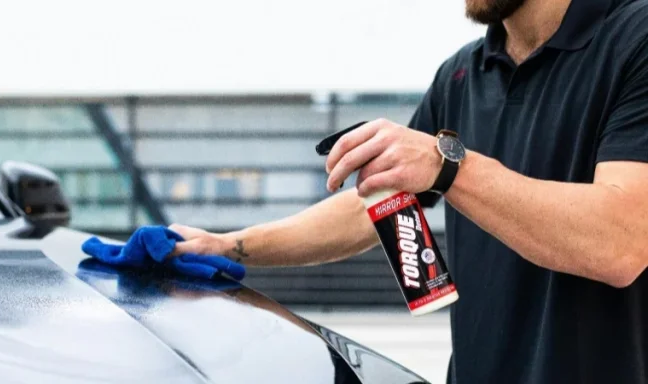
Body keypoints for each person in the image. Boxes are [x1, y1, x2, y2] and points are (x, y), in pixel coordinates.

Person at [168, 0, 648, 382]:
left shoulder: (635, 38)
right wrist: (227, 246)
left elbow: (621, 242)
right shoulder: (461, 75)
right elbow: (370, 207)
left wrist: (447, 165)